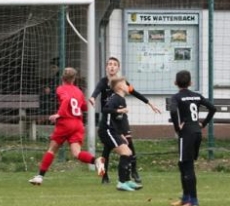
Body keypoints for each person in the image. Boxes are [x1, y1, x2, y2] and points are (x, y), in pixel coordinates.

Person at [89, 56, 161, 187]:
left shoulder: (122, 83)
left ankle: (133, 172)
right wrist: (93, 98)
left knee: (129, 143)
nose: (112, 66)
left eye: (114, 64)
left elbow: (134, 92)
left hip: (121, 118)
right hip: (109, 118)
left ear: (118, 68)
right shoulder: (103, 82)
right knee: (107, 148)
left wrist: (150, 103)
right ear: (106, 67)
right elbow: (97, 91)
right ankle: (104, 175)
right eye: (109, 64)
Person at [30, 67, 104, 185]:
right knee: (76, 153)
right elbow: (83, 107)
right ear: (74, 79)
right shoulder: (78, 91)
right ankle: (96, 161)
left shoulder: (61, 89)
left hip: (65, 123)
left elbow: (66, 100)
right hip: (78, 124)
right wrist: (88, 103)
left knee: (52, 149)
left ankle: (39, 177)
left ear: (62, 78)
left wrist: (59, 114)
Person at [168, 70, 216, 206]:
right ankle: (185, 197)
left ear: (175, 82)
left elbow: (173, 111)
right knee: (183, 164)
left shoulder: (176, 97)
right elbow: (212, 108)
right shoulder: (196, 96)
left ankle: (193, 200)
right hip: (197, 132)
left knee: (187, 166)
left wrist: (177, 127)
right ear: (190, 82)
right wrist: (203, 124)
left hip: (186, 134)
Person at [99, 76, 140, 192]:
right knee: (125, 153)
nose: (128, 86)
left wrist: (121, 134)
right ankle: (120, 182)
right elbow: (105, 110)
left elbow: (116, 120)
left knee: (129, 153)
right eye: (126, 84)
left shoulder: (122, 99)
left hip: (113, 131)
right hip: (106, 131)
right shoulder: (114, 98)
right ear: (120, 87)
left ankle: (126, 180)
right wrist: (119, 110)